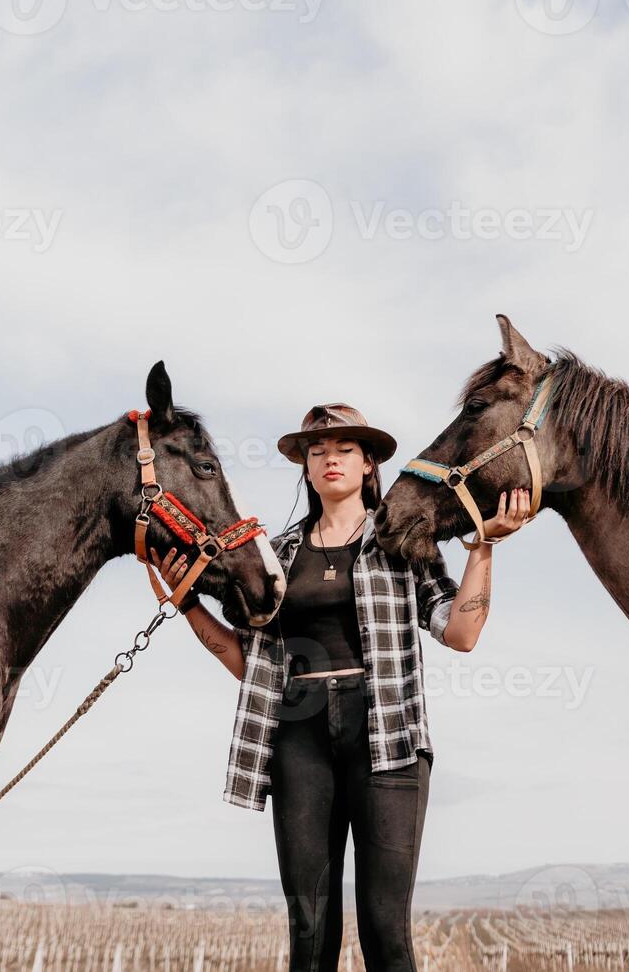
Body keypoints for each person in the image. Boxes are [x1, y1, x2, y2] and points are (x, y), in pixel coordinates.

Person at [156, 402, 528, 972]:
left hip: (388, 737)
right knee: (308, 929)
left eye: (345, 450)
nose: (330, 459)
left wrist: (483, 549)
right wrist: (185, 603)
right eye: (317, 452)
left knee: (385, 928)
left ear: (369, 464)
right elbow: (247, 662)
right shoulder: (275, 556)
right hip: (297, 737)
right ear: (305, 468)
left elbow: (461, 631)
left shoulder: (404, 543)